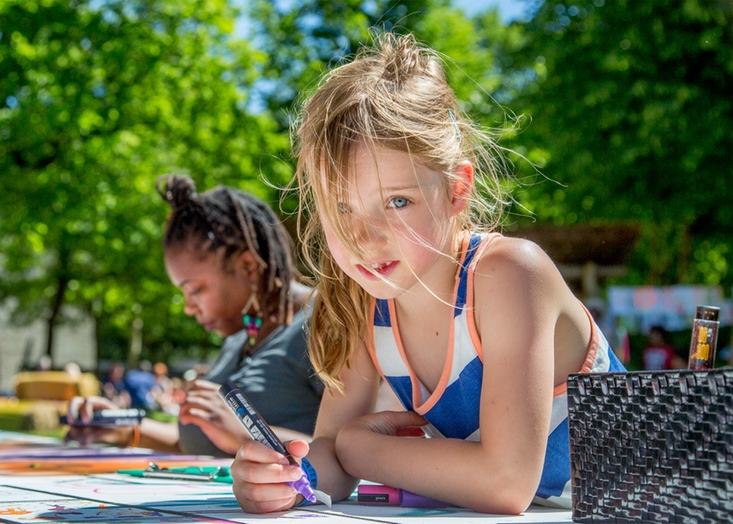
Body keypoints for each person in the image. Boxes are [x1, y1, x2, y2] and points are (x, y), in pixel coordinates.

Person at [229, 33, 627, 515]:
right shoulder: (361, 300)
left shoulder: (509, 274)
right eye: (341, 207)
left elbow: (505, 484)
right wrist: (291, 480)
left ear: (458, 190)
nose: (364, 237)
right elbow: (330, 452)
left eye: (398, 201)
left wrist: (361, 448)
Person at [66, 174, 324, 457]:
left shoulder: (323, 322)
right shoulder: (243, 333)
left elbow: (347, 454)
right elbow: (198, 441)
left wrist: (244, 435)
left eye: (195, 290)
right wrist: (123, 428)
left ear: (248, 266)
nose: (189, 307)